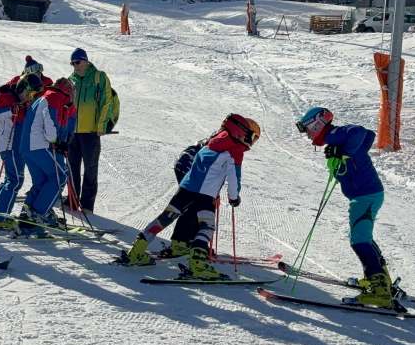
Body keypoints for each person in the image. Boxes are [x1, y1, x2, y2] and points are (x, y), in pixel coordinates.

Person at [122, 115, 260, 280]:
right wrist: (234, 197)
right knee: (207, 226)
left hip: (185, 188)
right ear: (240, 132)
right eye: (250, 136)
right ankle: (198, 264)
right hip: (205, 194)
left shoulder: (211, 142)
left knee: (165, 217)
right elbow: (233, 177)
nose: (249, 141)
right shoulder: (234, 150)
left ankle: (136, 251)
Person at [295, 107, 395, 309]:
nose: (308, 135)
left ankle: (380, 291)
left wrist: (343, 151)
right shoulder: (335, 139)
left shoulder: (335, 134)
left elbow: (361, 132)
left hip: (366, 195)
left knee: (359, 239)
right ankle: (380, 280)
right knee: (362, 237)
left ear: (317, 124)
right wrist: (343, 151)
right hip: (364, 196)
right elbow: (368, 137)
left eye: (307, 130)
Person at [0, 72, 45, 230]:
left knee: (10, 179)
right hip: (9, 145)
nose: (30, 98)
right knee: (15, 180)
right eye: (29, 94)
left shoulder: (24, 103)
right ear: (23, 88)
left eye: (33, 96)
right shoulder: (8, 98)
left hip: (17, 146)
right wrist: (11, 110)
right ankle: (0, 217)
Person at [18, 78, 76, 235]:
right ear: (68, 91)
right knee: (60, 177)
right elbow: (49, 123)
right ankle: (38, 214)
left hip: (27, 147)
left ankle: (26, 221)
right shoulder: (54, 97)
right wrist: (57, 141)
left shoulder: (45, 97)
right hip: (38, 145)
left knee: (42, 182)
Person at [67, 48, 118, 214]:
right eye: (72, 63)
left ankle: (87, 205)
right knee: (72, 167)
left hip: (91, 131)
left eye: (77, 62)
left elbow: (106, 101)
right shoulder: (71, 80)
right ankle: (72, 200)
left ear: (85, 61)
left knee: (90, 168)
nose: (75, 66)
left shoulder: (99, 77)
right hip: (73, 132)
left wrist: (102, 125)